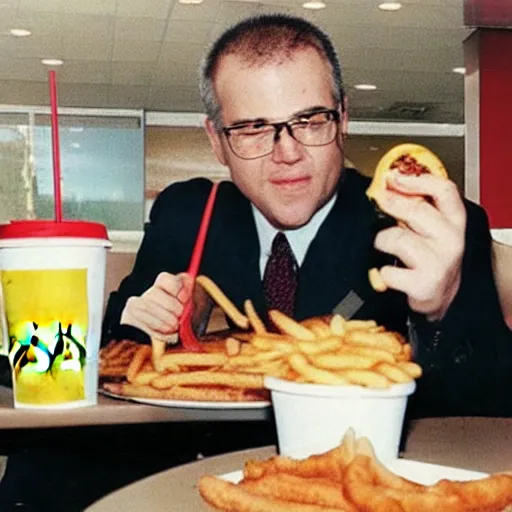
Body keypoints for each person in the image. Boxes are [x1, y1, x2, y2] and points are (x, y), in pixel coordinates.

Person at [102, 13, 512, 419]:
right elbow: (110, 356)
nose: (288, 153)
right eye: (252, 129)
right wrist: (143, 321)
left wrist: (443, 309)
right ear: (216, 141)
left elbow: (491, 413)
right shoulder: (187, 215)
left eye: (310, 121)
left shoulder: (427, 225)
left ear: (343, 119)